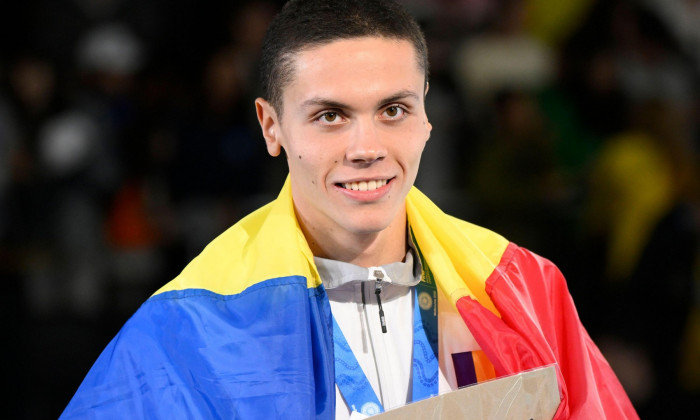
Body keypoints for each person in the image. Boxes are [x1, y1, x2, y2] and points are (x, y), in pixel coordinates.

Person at [61, 0, 638, 418]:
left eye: (393, 110)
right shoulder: (189, 327)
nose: (366, 149)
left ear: (426, 115)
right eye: (330, 115)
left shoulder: (520, 287)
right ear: (271, 125)